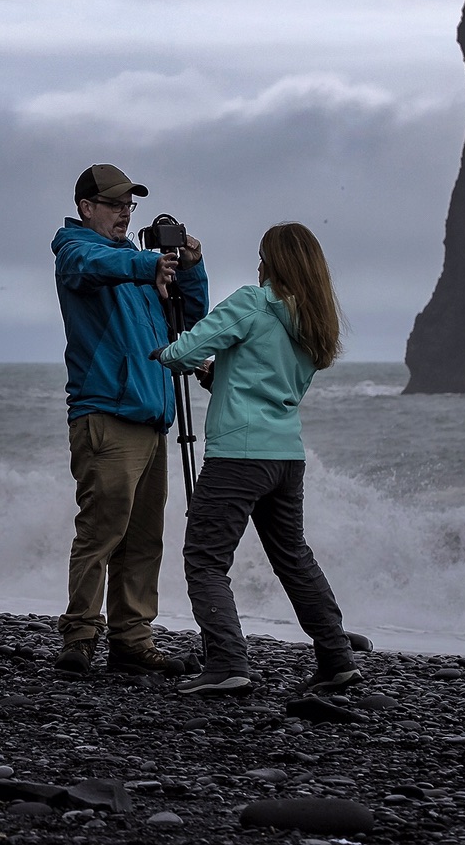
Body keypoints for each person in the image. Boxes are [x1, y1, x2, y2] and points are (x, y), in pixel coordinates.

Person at [156, 222, 360, 697]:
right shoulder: (314, 320)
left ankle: (227, 662)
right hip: (287, 455)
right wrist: (219, 376)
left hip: (238, 456)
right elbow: (273, 383)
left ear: (275, 262)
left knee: (204, 559)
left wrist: (167, 352)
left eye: (263, 255)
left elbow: (185, 349)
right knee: (293, 557)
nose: (258, 264)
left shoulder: (254, 300)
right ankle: (336, 658)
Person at [51, 163, 207, 675]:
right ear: (86, 207)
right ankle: (79, 636)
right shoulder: (75, 251)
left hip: (149, 417)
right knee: (101, 530)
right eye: (116, 205)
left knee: (143, 537)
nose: (124, 213)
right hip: (106, 413)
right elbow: (91, 266)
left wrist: (188, 268)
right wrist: (145, 265)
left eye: (129, 206)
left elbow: (187, 322)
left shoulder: (137, 265)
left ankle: (132, 639)